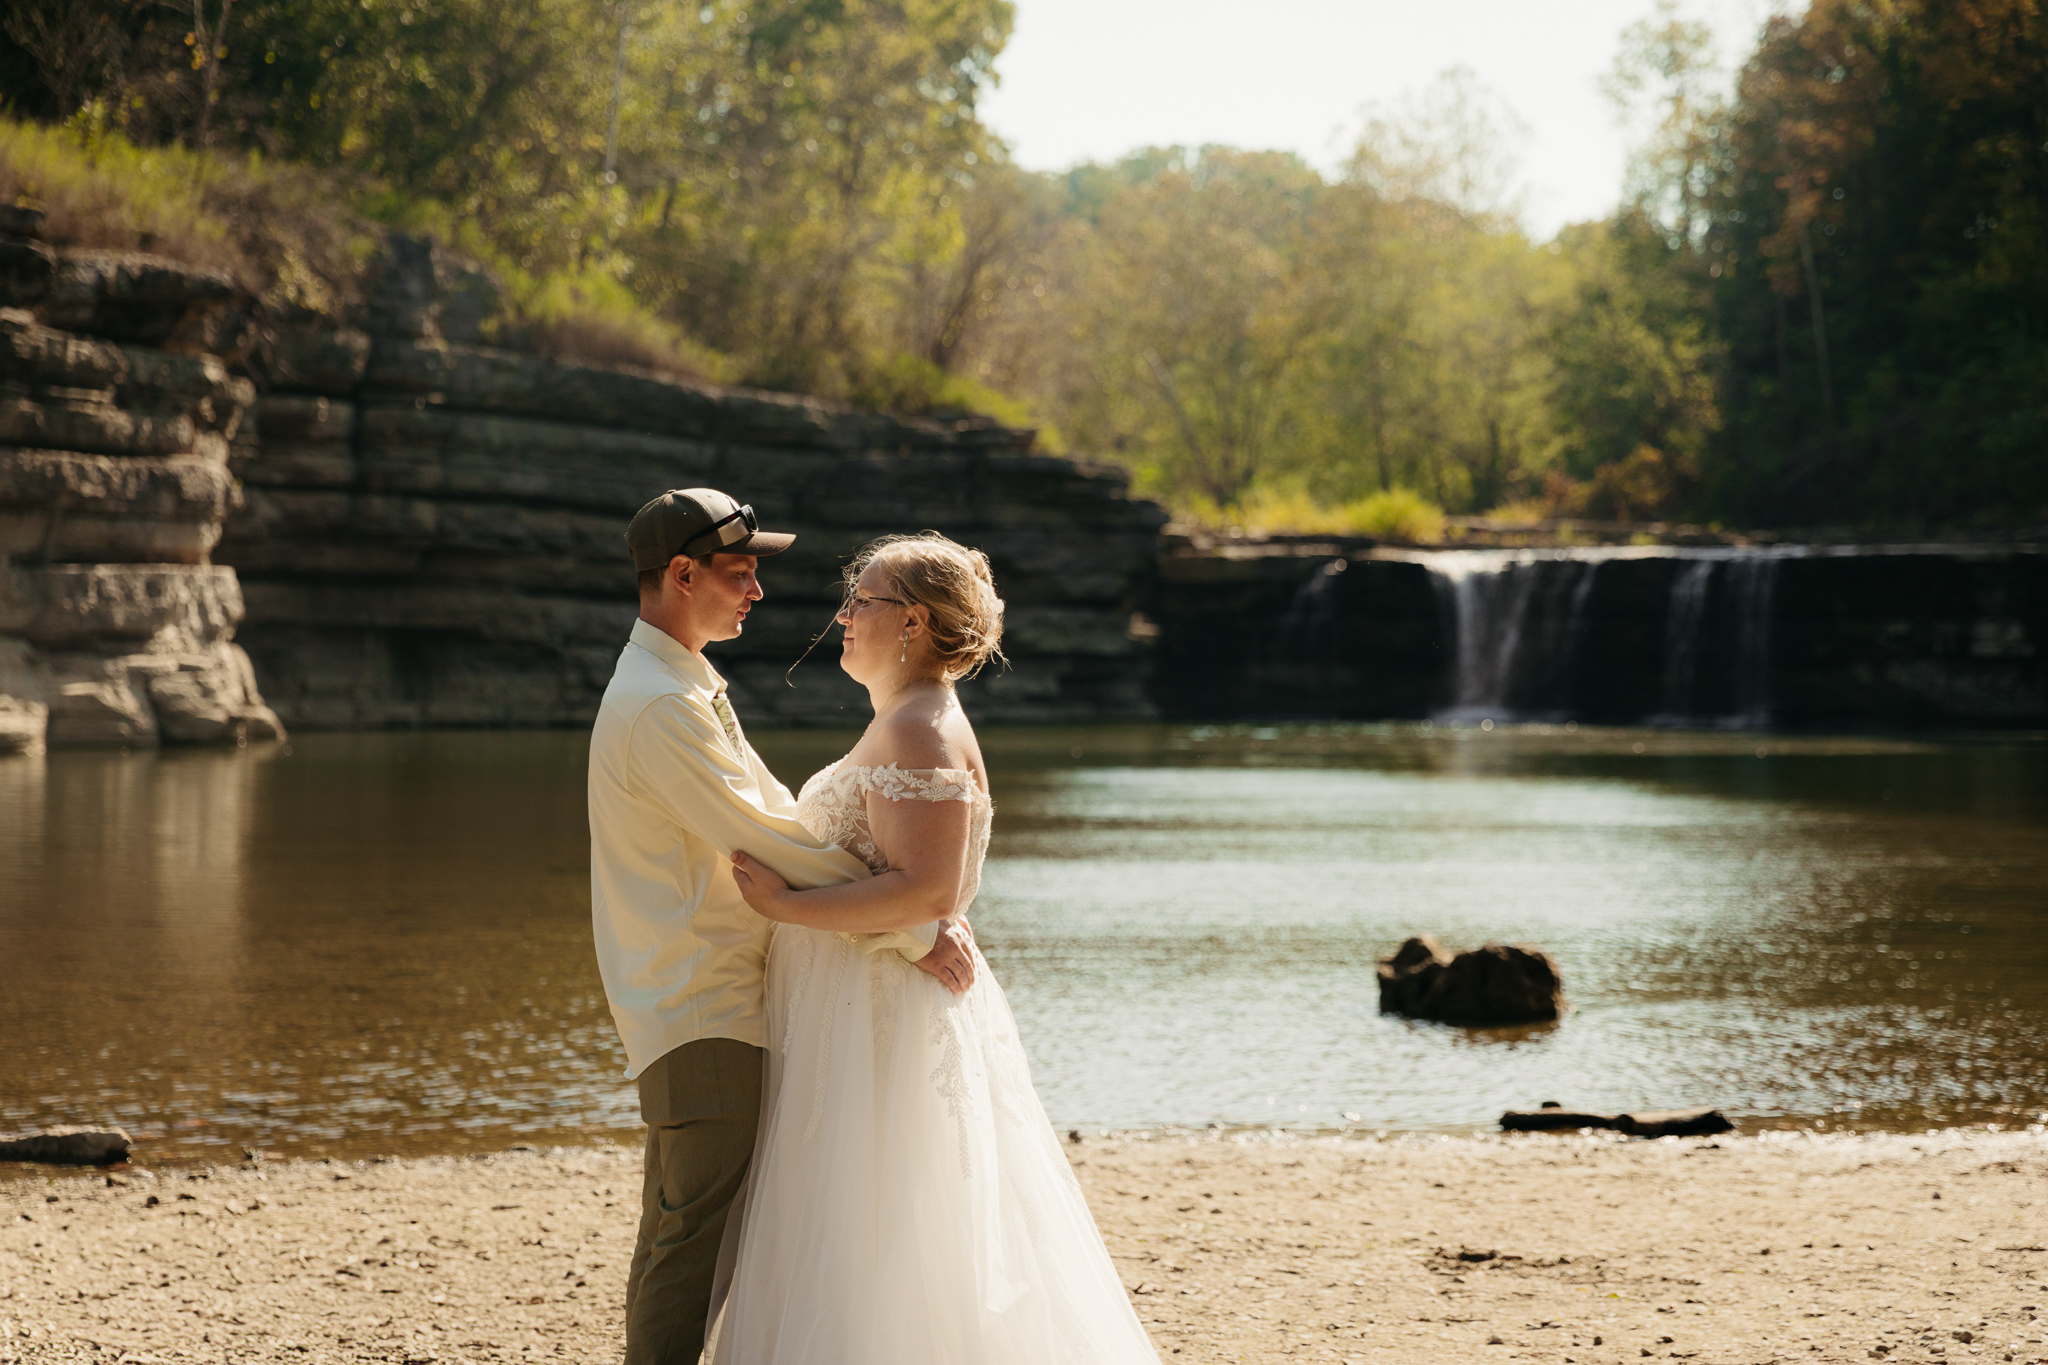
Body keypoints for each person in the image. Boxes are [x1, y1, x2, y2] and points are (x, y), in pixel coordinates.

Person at [715, 532, 1161, 1364]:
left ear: (912, 621)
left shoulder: (920, 728)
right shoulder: (905, 719)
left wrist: (785, 904)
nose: (843, 617)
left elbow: (927, 892)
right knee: (862, 1219)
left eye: (862, 601)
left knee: (885, 1224)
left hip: (883, 1011)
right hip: (862, 997)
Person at [587, 490, 979, 1365]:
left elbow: (777, 818)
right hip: (701, 1004)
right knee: (692, 1245)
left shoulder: (684, 686)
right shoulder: (660, 704)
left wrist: (907, 909)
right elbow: (767, 839)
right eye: (742, 571)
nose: (758, 590)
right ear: (683, 574)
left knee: (685, 1235)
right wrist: (917, 927)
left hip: (717, 998)